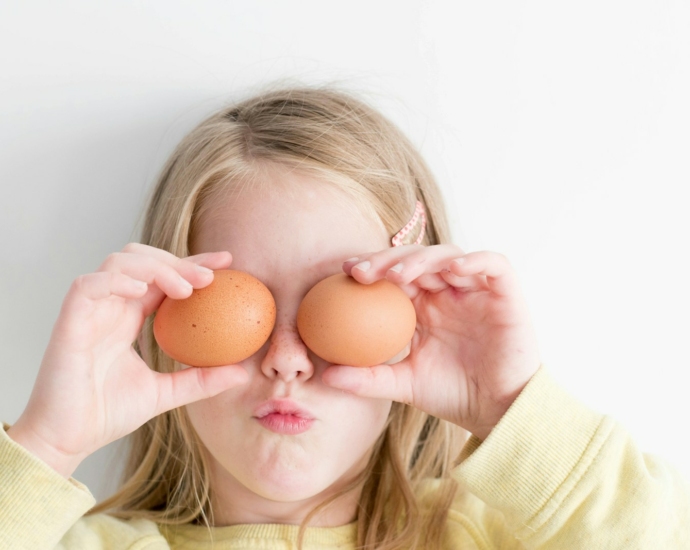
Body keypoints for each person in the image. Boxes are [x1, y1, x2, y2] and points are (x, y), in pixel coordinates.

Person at [1, 85, 688, 550]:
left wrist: (512, 408)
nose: (288, 359)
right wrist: (47, 446)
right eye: (241, 304)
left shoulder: (500, 534)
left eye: (343, 300)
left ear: (413, 322)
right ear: (162, 321)